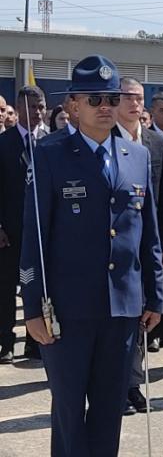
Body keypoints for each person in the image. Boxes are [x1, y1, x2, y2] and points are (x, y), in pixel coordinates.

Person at [20, 55, 163, 456]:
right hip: (66, 311)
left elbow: (147, 233)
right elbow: (35, 237)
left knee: (109, 410)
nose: (105, 107)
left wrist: (154, 295)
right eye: (95, 98)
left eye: (112, 98)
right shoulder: (50, 154)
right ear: (74, 106)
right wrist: (32, 306)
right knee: (68, 411)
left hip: (121, 308)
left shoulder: (137, 156)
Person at [112, 77, 163, 415]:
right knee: (121, 321)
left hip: (147, 245)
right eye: (128, 98)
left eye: (139, 98)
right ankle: (119, 385)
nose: (135, 104)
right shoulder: (106, 139)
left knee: (142, 318)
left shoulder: (155, 142)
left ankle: (133, 382)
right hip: (117, 244)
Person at [0, 86, 48, 363]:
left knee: (38, 287)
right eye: (32, 107)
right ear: (18, 110)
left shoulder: (53, 142)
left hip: (42, 231)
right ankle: (5, 341)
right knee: (6, 289)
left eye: (41, 107)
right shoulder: (4, 143)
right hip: (10, 230)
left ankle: (36, 341)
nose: (38, 113)